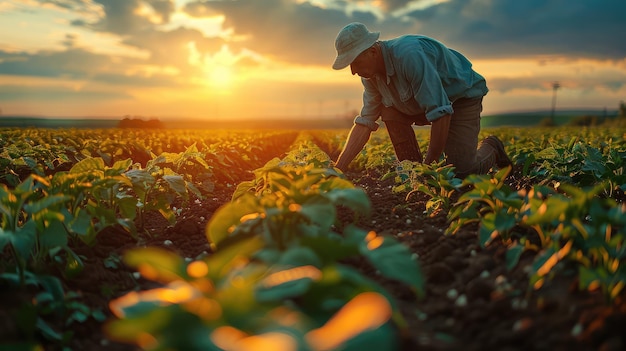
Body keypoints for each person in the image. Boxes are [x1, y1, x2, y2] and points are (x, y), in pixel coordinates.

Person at [331, 22, 511, 178]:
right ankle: (413, 173)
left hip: (460, 98)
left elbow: (441, 112)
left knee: (462, 171)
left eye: (355, 62)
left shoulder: (409, 56)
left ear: (371, 51)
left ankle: (492, 147)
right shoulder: (370, 77)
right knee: (388, 110)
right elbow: (365, 122)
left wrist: (429, 166)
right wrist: (338, 169)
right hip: (421, 104)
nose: (353, 71)